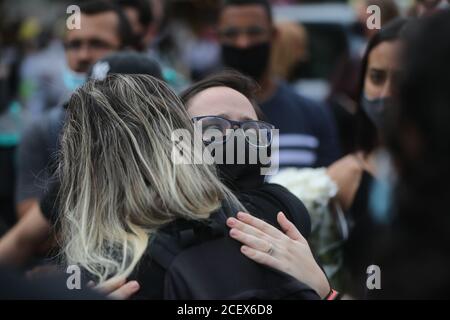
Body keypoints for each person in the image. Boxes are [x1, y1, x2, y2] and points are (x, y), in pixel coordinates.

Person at [57, 74, 321, 299]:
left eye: (252, 130)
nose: (237, 135)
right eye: (215, 128)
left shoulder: (278, 212)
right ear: (173, 139)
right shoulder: (145, 242)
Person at [0, 51, 163, 267]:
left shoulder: (179, 180)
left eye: (108, 114)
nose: (91, 125)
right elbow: (22, 242)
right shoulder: (80, 176)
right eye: (85, 111)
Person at [15, 0, 134, 220]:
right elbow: (34, 233)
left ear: (127, 51)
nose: (82, 56)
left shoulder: (161, 118)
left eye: (98, 44)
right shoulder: (43, 131)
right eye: (74, 45)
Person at [217, 0, 340, 168]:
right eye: (232, 34)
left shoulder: (312, 114)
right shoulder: (190, 114)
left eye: (254, 32)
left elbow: (330, 186)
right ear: (218, 37)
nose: (243, 43)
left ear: (273, 35)